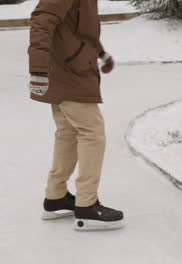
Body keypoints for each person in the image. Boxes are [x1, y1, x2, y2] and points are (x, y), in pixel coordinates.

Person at [28, 0, 124, 230]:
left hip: (72, 68)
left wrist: (101, 53)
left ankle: (56, 197)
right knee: (92, 132)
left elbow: (79, 29)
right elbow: (41, 21)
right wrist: (38, 70)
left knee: (68, 132)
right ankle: (87, 205)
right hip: (69, 73)